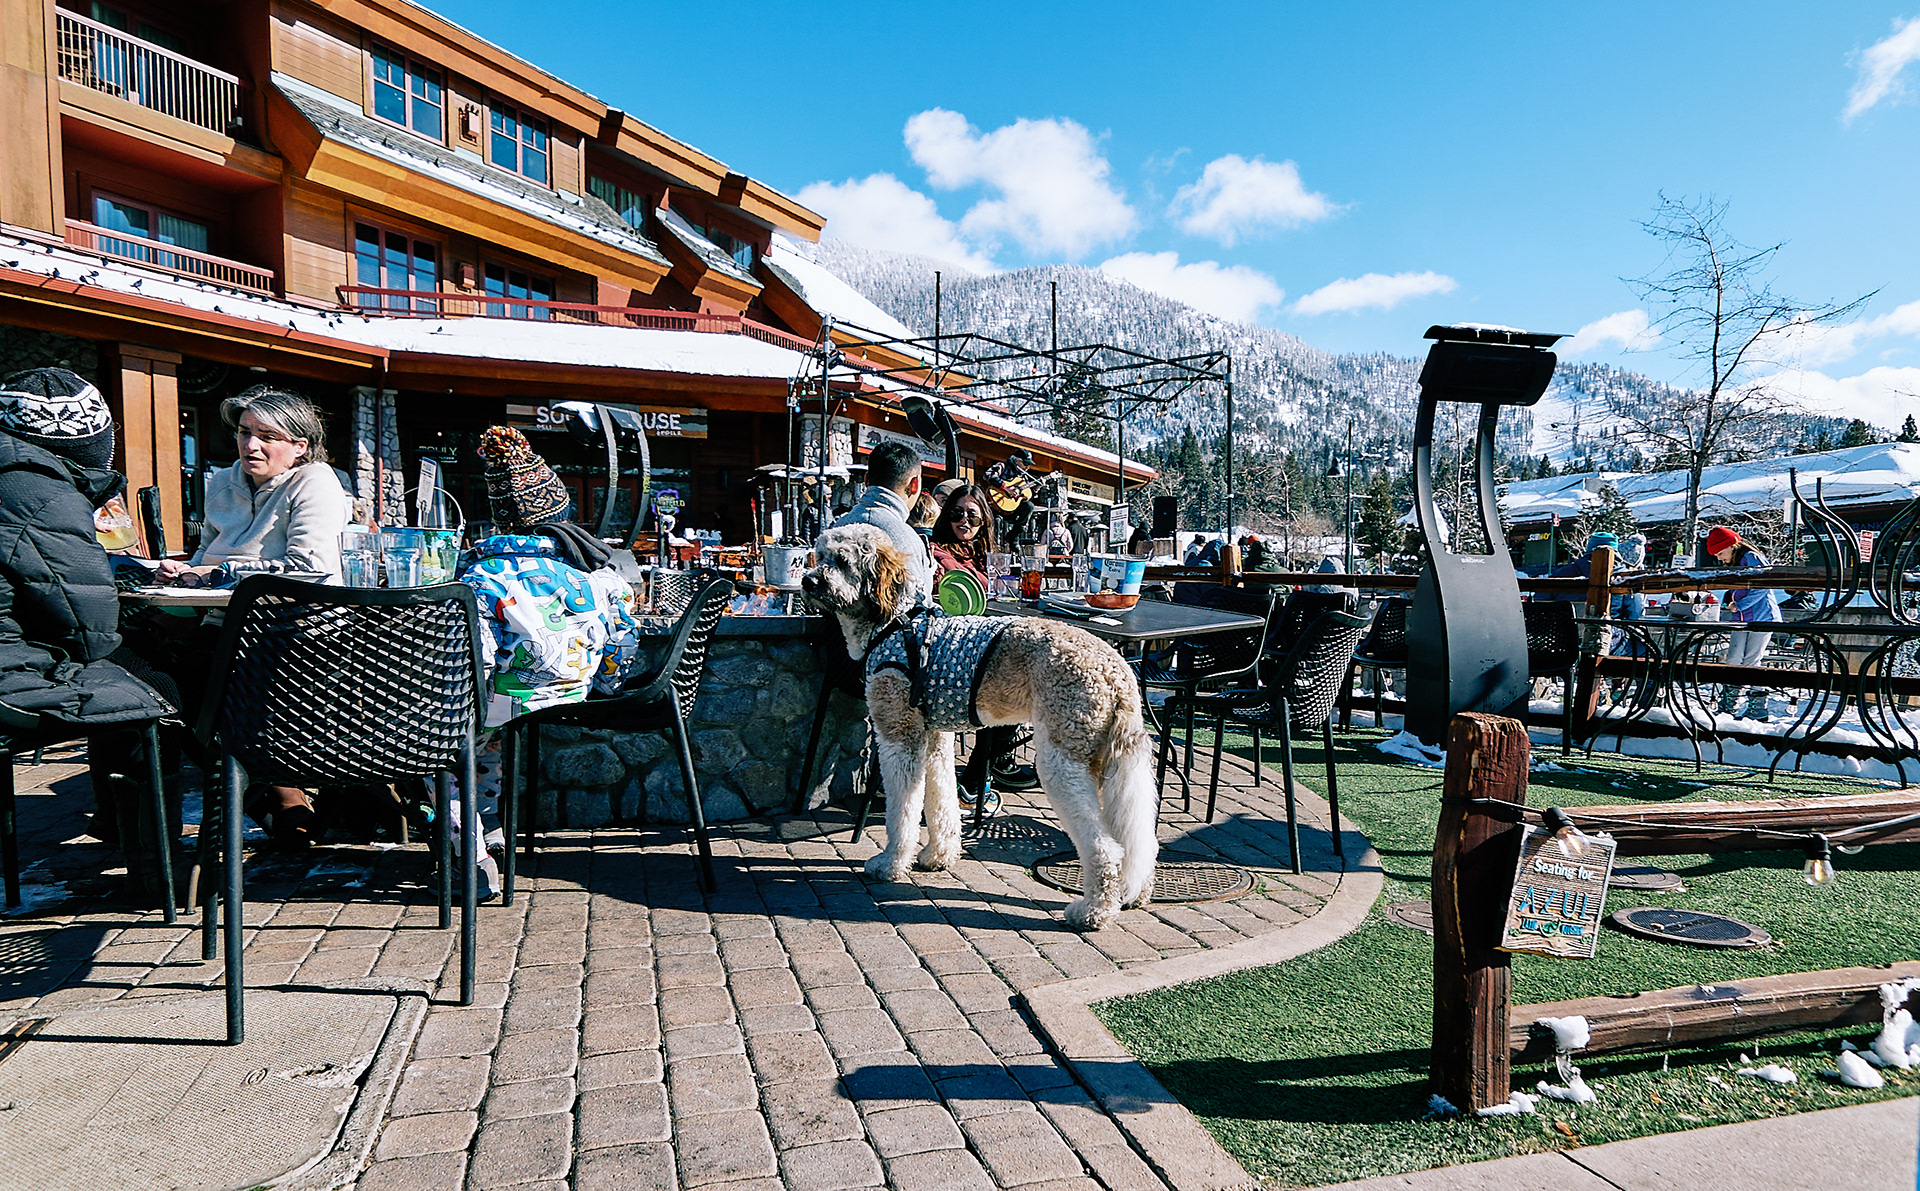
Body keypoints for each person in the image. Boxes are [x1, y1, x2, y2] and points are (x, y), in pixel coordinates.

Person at [0, 368, 176, 896]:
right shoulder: (38, 491)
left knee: (129, 676)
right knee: (161, 688)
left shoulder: (15, 476)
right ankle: (158, 875)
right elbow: (90, 631)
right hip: (13, 675)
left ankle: (119, 830)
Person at [458, 427, 642, 896]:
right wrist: (604, 684)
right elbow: (624, 642)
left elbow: (474, 664)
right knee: (489, 738)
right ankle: (495, 831)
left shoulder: (480, 577)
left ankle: (471, 857)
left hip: (504, 700)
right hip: (573, 695)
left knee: (449, 743)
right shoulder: (595, 576)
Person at [157, 384, 353, 585]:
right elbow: (207, 553)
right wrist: (184, 570)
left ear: (299, 447)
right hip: (216, 610)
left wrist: (221, 572)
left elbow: (310, 570)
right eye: (244, 433)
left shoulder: (315, 483)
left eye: (267, 437)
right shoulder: (222, 482)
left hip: (287, 613)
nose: (250, 445)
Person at [926, 482, 1032, 802]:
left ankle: (988, 767)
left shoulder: (988, 556)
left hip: (985, 649)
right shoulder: (937, 551)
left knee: (1019, 682)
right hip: (951, 655)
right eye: (957, 514)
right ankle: (976, 779)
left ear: (984, 520)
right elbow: (948, 587)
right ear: (947, 516)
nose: (965, 521)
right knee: (1013, 688)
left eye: (973, 516)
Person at [828, 440, 932, 602]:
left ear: (867, 480)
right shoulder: (906, 539)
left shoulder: (837, 528)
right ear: (914, 484)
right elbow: (918, 606)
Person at [1704, 524, 1780, 722]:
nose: (1719, 558)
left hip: (1761, 617)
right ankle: (1729, 703)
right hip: (1742, 619)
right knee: (1734, 659)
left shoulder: (1752, 558)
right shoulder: (1737, 562)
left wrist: (1740, 604)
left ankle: (1757, 708)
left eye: (1720, 553)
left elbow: (1762, 585)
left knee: (1752, 661)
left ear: (1731, 545)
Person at [929, 483, 993, 581]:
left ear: (983, 520)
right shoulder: (934, 550)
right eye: (957, 512)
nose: (964, 519)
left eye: (972, 514)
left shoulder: (988, 556)